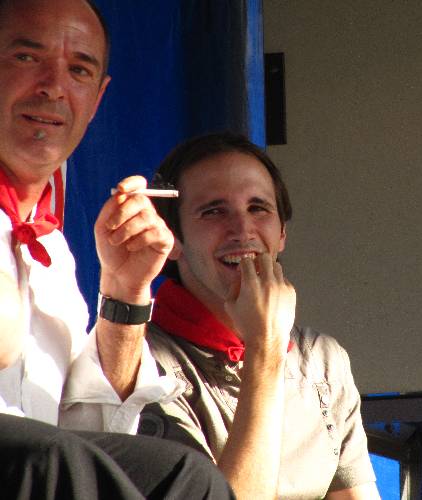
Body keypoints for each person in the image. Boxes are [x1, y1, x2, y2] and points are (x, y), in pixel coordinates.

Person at [0, 0, 233, 497]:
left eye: (78, 70)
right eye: (26, 57)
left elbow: (85, 430)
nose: (53, 86)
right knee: (50, 458)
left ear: (97, 100)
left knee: (186, 475)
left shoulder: (50, 250)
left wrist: (125, 292)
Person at [141, 131, 380, 499]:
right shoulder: (144, 367)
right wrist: (265, 347)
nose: (242, 230)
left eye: (258, 208)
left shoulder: (321, 358)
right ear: (170, 238)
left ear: (282, 232)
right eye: (213, 211)